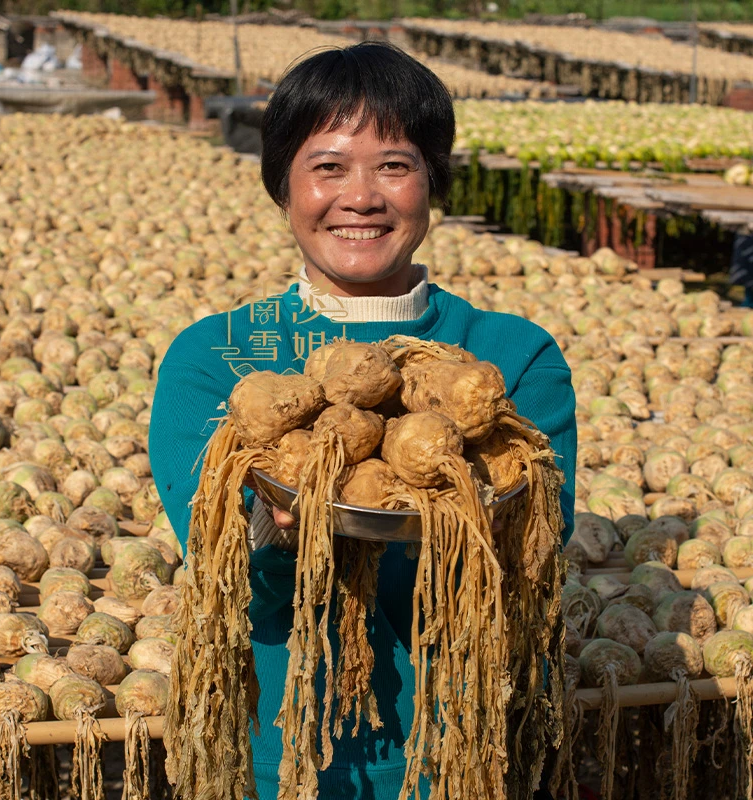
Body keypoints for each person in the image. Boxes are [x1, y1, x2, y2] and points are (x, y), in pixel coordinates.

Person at [149, 41, 576, 800]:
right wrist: (273, 521)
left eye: (395, 165)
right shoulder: (214, 359)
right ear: (283, 184)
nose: (361, 197)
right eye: (328, 166)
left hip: (469, 755)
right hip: (289, 761)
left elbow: (536, 550)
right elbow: (228, 579)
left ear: (434, 182)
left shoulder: (509, 357)